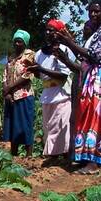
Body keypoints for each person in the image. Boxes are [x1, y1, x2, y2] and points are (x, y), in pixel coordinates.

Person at [56, 0, 101, 174]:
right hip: (91, 75)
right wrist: (68, 42)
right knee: (87, 114)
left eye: (97, 11)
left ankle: (93, 162)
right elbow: (83, 56)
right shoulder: (95, 34)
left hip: (100, 77)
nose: (93, 14)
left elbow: (93, 56)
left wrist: (69, 42)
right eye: (91, 11)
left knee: (95, 116)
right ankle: (85, 158)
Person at [28, 19, 76, 157]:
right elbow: (41, 75)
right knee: (49, 127)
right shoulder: (39, 54)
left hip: (62, 93)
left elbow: (62, 76)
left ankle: (65, 157)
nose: (48, 33)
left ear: (60, 33)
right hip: (48, 93)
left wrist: (41, 69)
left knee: (62, 127)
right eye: (47, 30)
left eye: (52, 30)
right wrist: (34, 70)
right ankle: (53, 156)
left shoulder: (64, 51)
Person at [2, 29, 36, 157]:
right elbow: (5, 75)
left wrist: (10, 87)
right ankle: (14, 154)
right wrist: (7, 92)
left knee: (25, 124)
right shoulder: (11, 58)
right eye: (15, 41)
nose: (17, 44)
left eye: (20, 42)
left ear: (25, 43)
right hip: (11, 96)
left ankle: (29, 154)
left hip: (24, 95)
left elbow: (27, 75)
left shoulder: (30, 55)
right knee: (12, 126)